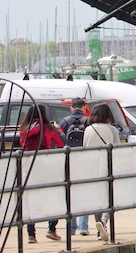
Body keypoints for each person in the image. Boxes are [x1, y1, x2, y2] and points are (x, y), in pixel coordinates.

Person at [19, 104, 64, 243]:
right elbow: (61, 142)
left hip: (29, 167)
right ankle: (51, 228)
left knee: (31, 200)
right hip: (46, 166)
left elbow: (22, 144)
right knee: (54, 198)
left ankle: (31, 234)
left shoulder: (25, 128)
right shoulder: (48, 127)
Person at [83, 103, 120, 241]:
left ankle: (99, 227)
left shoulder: (88, 130)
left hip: (92, 167)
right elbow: (117, 150)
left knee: (96, 198)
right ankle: (104, 221)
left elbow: (84, 148)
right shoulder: (112, 129)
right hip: (108, 167)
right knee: (109, 198)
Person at [59, 98, 90, 236]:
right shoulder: (88, 121)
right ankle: (83, 226)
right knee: (84, 192)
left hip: (70, 159)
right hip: (84, 160)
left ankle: (71, 228)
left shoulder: (64, 122)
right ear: (84, 107)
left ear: (71, 108)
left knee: (70, 193)